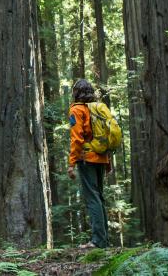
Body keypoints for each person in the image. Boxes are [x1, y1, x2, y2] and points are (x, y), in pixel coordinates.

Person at [68, 78, 112, 249]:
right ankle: (104, 240)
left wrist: (71, 163)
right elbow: (106, 137)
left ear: (76, 92)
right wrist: (108, 161)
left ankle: (98, 241)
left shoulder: (77, 110)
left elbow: (76, 138)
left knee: (93, 198)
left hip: (87, 159)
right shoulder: (97, 109)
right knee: (99, 197)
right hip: (101, 157)